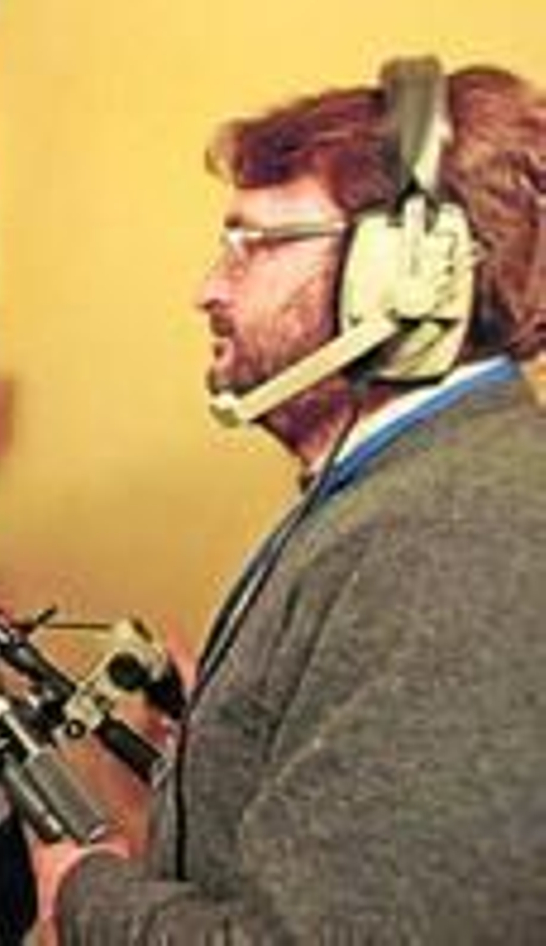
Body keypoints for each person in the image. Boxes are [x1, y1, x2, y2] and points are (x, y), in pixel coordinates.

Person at [33, 60, 546, 942]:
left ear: (408, 276)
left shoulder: (463, 543)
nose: (207, 288)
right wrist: (237, 725)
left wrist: (87, 894)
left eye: (253, 245)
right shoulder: (411, 485)